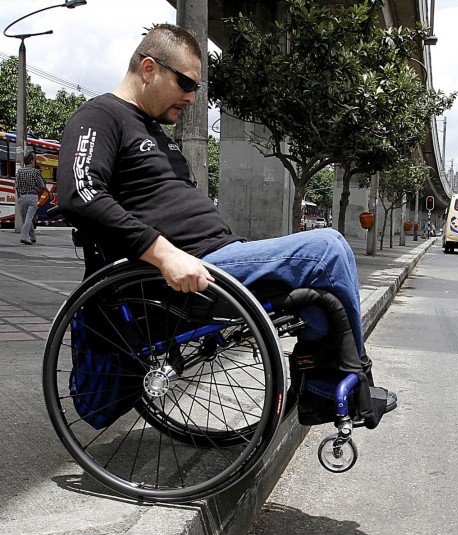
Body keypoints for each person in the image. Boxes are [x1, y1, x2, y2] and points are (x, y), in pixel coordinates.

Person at [57, 24, 395, 417]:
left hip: (221, 256)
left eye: (196, 88)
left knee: (322, 283)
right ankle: (355, 384)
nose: (191, 97)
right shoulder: (101, 115)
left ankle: (320, 383)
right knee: (328, 248)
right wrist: (165, 255)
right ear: (149, 69)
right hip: (180, 274)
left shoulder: (155, 131)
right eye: (185, 82)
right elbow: (80, 195)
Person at [15, 152, 45, 245]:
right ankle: (24, 237)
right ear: (32, 161)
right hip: (33, 197)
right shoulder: (35, 171)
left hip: (22, 196)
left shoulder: (19, 171)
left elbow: (16, 186)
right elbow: (42, 185)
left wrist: (19, 197)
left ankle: (32, 237)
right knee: (29, 218)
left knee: (25, 219)